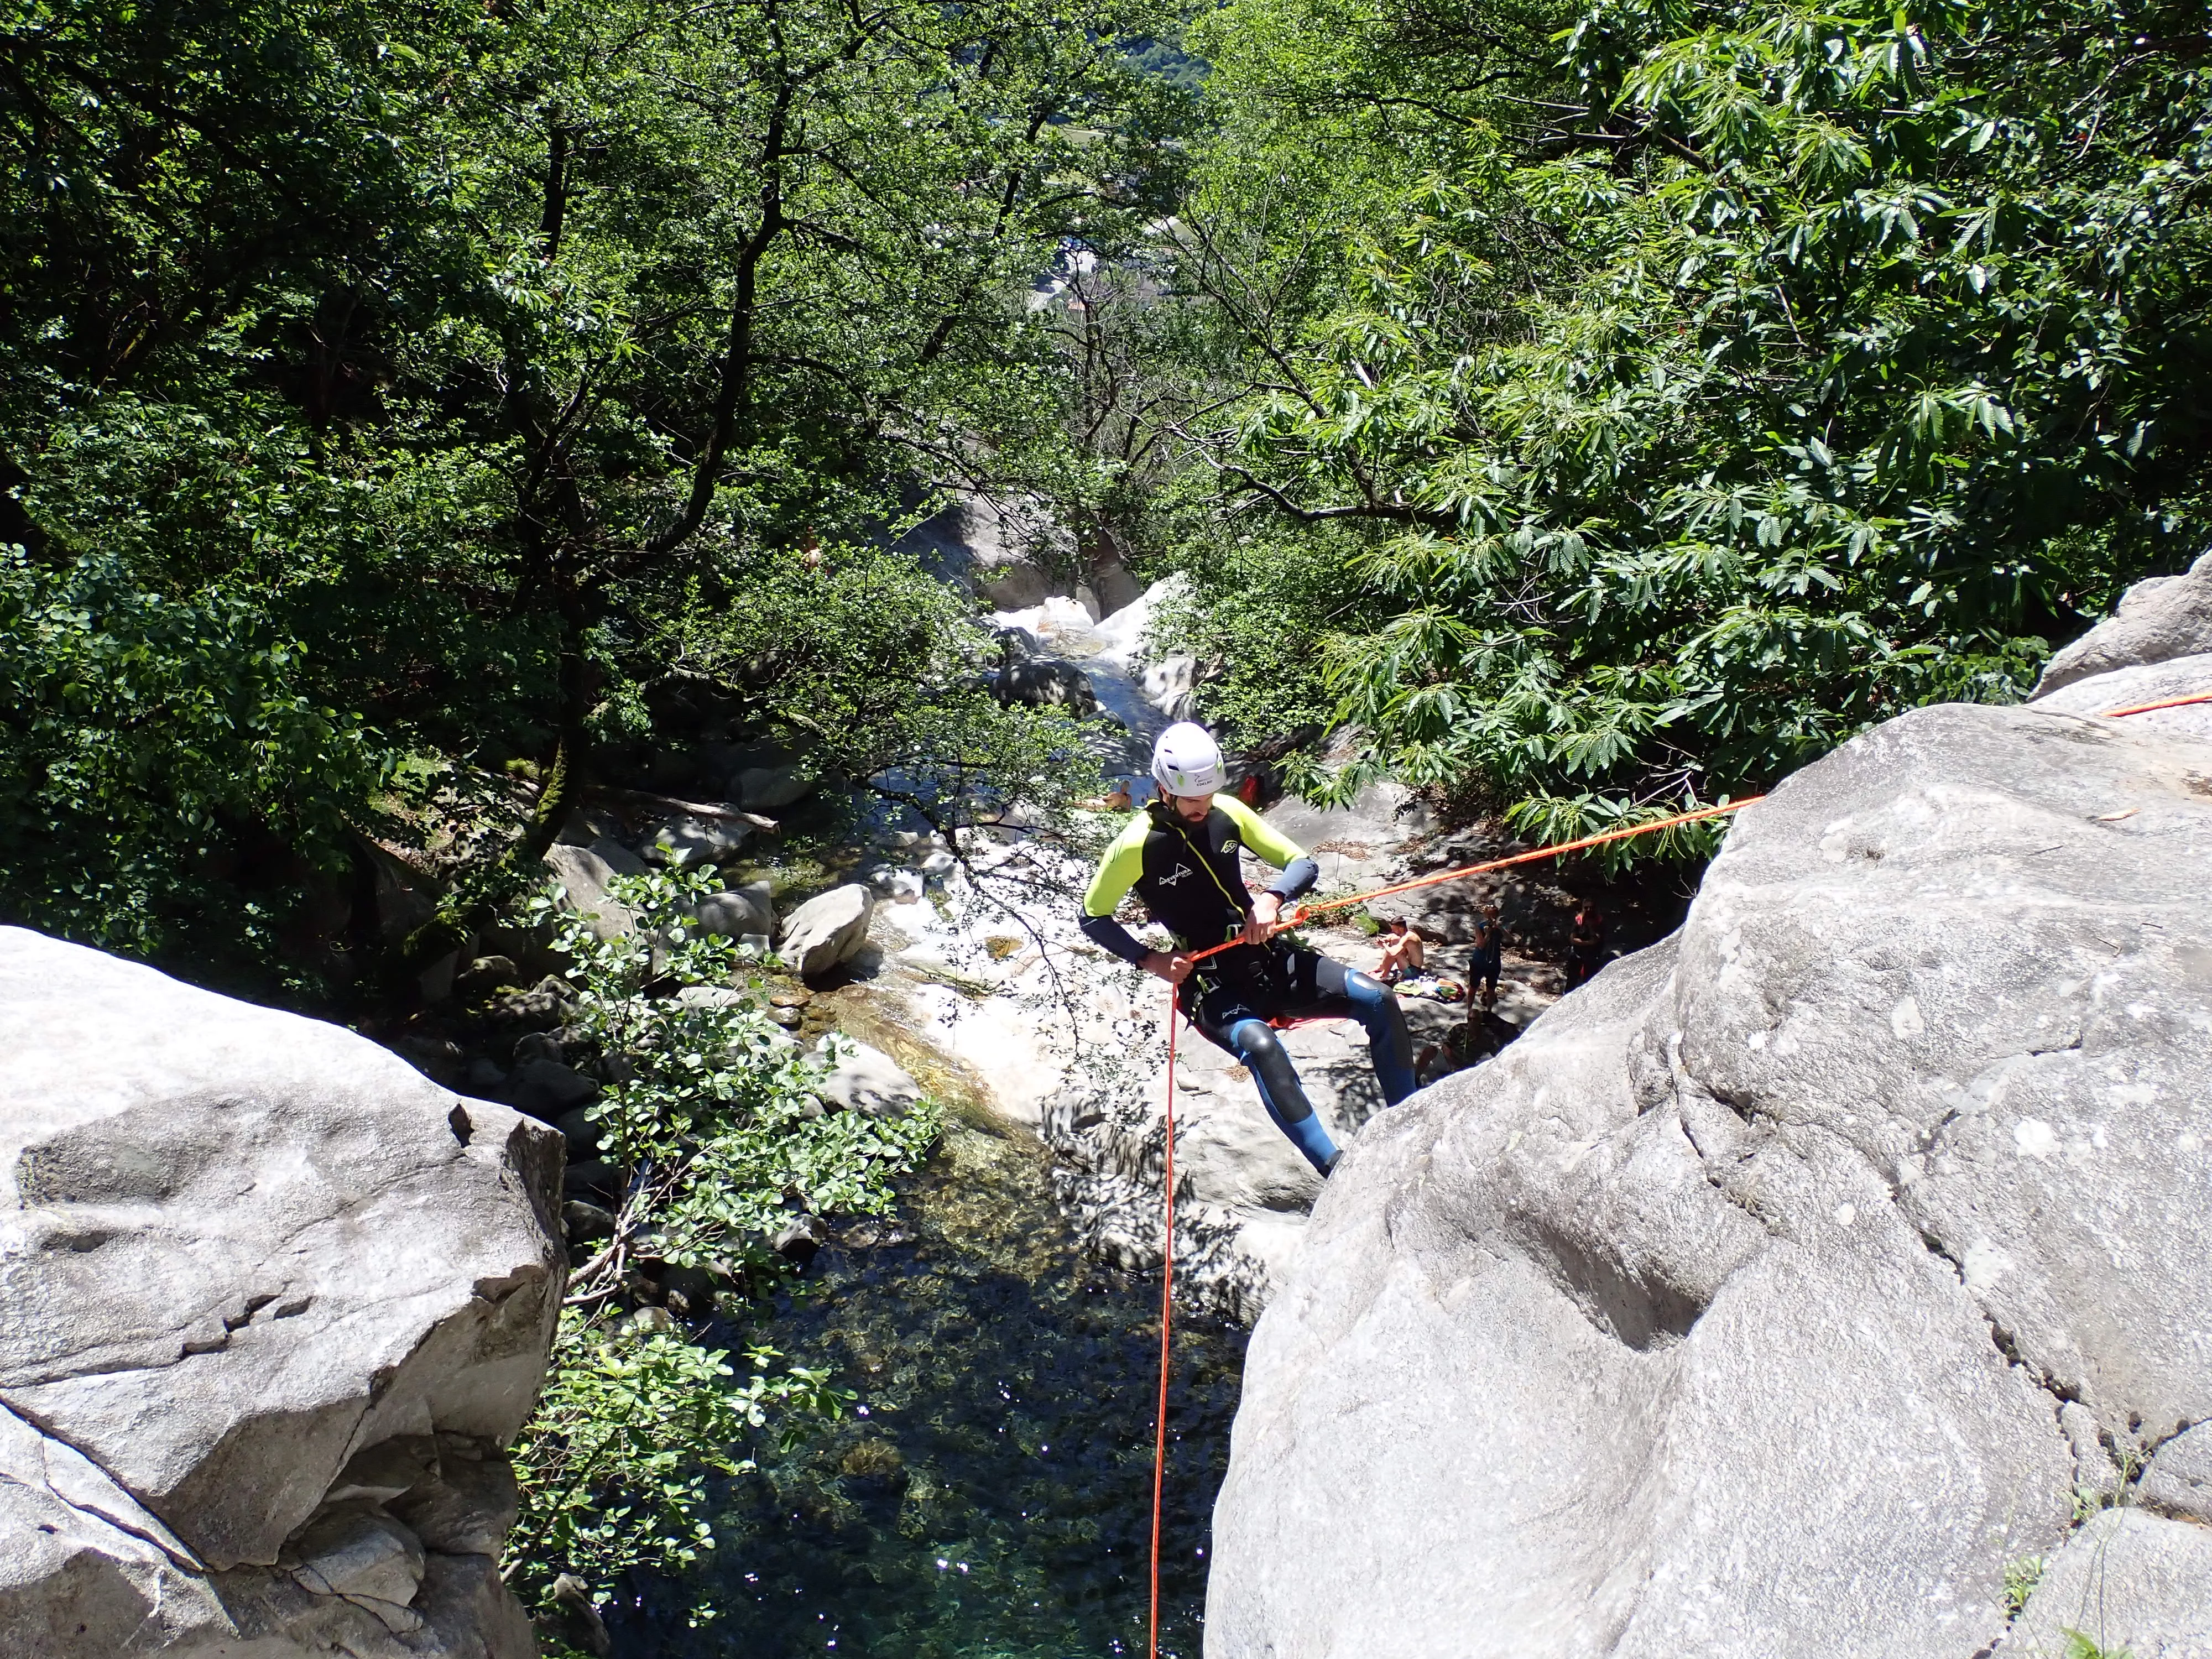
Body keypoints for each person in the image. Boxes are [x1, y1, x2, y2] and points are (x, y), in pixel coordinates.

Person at [1079, 722, 1415, 1175]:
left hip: (1267, 957)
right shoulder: (1135, 846)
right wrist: (1151, 959)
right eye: (1193, 800)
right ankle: (1331, 1166)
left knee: (1378, 998)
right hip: (1211, 981)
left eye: (1209, 796)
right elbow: (1093, 916)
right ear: (1163, 789)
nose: (1203, 808)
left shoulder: (1228, 812)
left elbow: (1302, 863)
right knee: (1261, 1044)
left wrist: (1271, 899)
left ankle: (1411, 1121)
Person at [1470, 902, 1505, 1011]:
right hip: (1479, 961)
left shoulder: (1499, 929)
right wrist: (1488, 935)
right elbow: (1480, 946)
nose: (1491, 918)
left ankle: (1489, 1011)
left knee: (1491, 988)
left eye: (1494, 915)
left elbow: (1511, 940)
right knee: (1474, 986)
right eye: (1489, 916)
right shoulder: (1480, 927)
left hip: (1494, 962)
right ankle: (1469, 1010)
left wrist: (1499, 928)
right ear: (1485, 915)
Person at [1566, 901, 1606, 989]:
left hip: (1593, 954)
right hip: (1577, 953)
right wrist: (1587, 943)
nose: (1589, 910)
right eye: (1586, 908)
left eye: (1591, 908)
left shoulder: (1599, 921)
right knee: (1572, 979)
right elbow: (1573, 939)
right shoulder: (1578, 920)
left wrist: (1590, 927)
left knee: (1589, 980)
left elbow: (1596, 939)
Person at [1374, 916, 1426, 984]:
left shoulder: (1408, 938)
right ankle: (1382, 967)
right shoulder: (1409, 933)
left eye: (1394, 930)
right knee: (1393, 945)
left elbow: (1394, 954)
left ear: (1401, 929)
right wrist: (1387, 939)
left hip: (1412, 972)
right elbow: (1393, 936)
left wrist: (1384, 945)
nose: (1393, 931)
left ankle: (1384, 974)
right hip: (1410, 967)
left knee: (1395, 953)